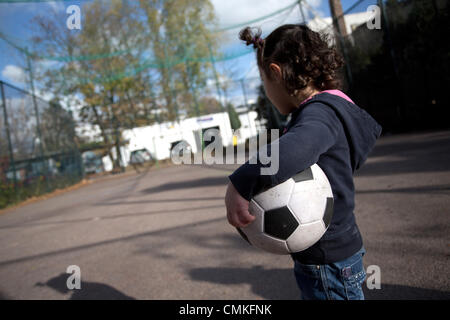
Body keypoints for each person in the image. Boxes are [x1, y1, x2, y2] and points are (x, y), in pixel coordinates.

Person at [224, 24, 382, 300]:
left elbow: (294, 150)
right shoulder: (333, 108)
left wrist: (240, 184)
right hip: (336, 249)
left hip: (326, 260)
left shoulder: (319, 114)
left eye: (264, 83)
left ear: (276, 72)